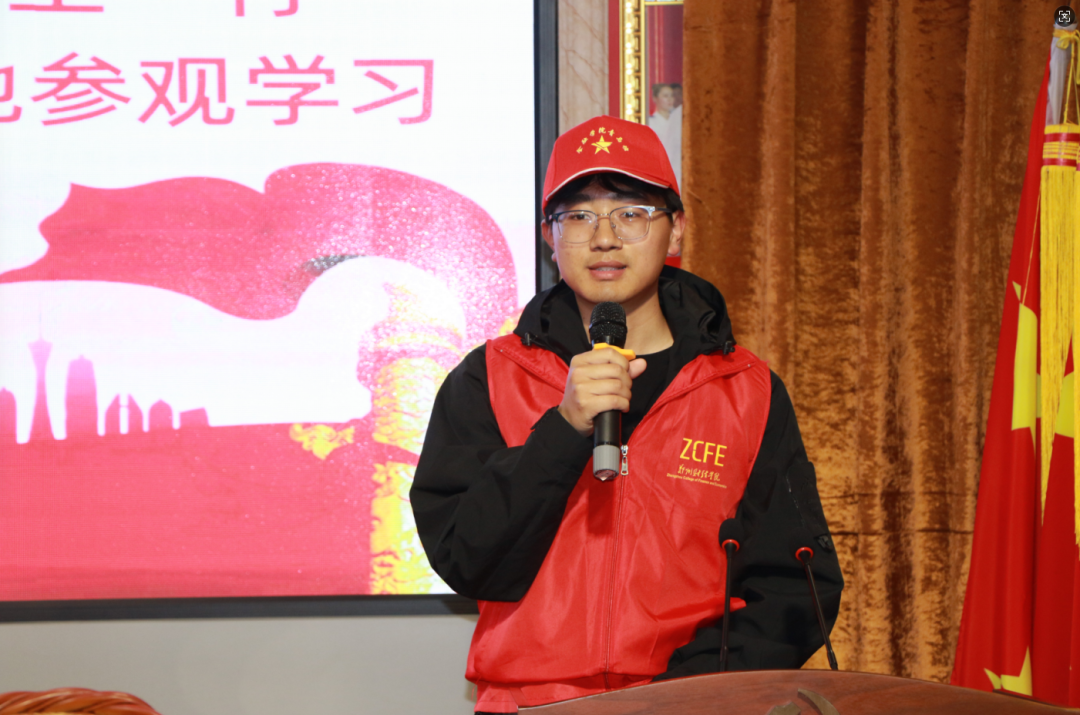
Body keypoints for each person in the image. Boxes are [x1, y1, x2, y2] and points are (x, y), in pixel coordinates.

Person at [410, 115, 843, 714]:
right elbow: (468, 559)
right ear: (549, 237)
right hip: (532, 704)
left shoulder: (745, 389)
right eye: (579, 216)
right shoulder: (487, 378)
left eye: (631, 213)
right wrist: (563, 428)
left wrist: (684, 697)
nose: (605, 238)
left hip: (694, 705)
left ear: (675, 229)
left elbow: (794, 586)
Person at [647, 83, 682, 187]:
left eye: (671, 96)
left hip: (678, 168)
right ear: (655, 98)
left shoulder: (679, 119)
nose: (670, 99)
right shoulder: (650, 122)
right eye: (665, 96)